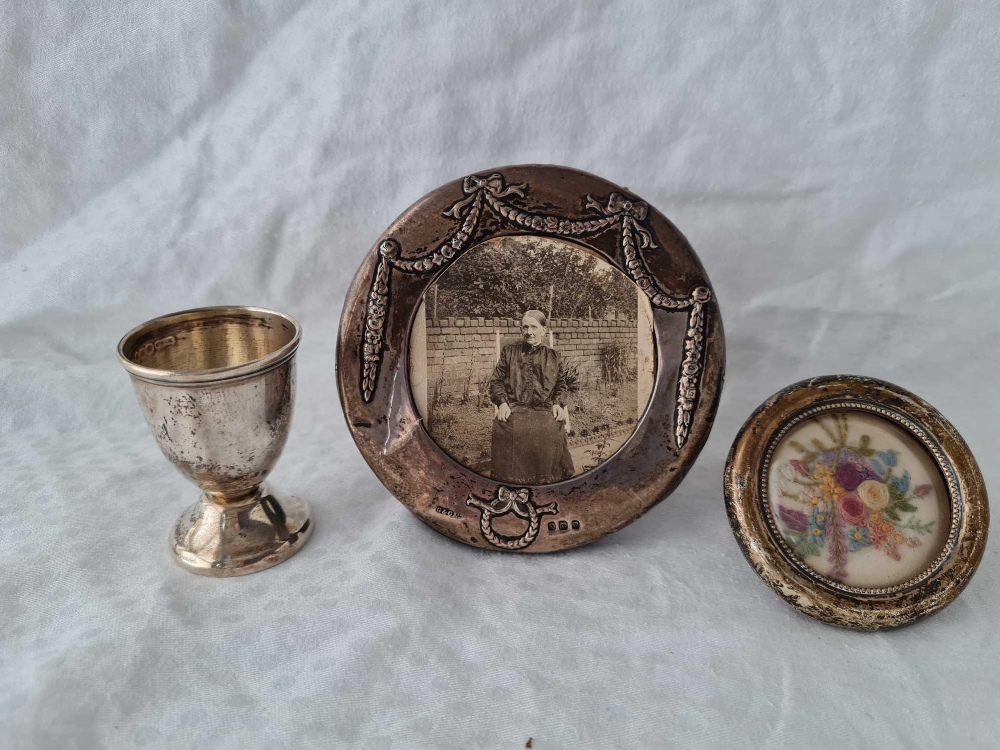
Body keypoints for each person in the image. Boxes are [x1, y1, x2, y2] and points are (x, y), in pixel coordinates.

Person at [487, 310, 574, 484]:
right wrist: (503, 403)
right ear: (521, 329)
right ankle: (513, 481)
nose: (529, 332)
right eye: (525, 327)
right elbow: (496, 381)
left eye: (534, 327)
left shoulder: (553, 356)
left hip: (544, 409)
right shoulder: (509, 352)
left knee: (549, 427)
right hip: (516, 407)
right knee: (507, 427)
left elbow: (561, 385)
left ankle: (546, 481)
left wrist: (558, 404)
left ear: (543, 329)